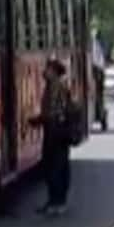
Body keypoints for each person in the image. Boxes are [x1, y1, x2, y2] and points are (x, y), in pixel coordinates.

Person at [31, 58, 73, 216]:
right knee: (52, 168)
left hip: (57, 134)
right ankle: (53, 201)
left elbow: (56, 113)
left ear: (53, 72)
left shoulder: (58, 88)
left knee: (56, 168)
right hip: (54, 132)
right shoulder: (52, 87)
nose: (44, 72)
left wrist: (39, 120)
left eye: (47, 69)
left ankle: (58, 202)